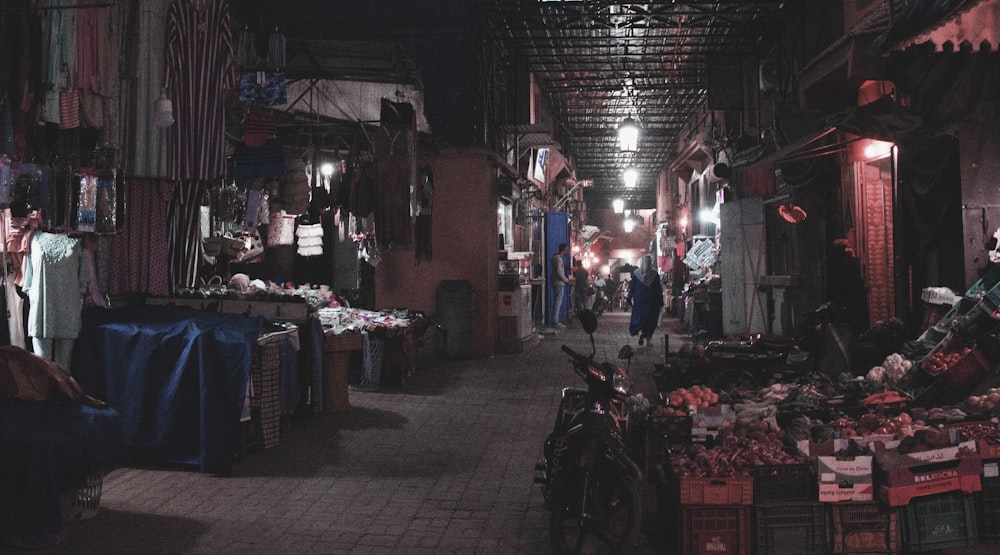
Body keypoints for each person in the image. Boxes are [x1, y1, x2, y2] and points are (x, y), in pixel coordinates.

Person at [627, 254, 664, 346]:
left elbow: (633, 288)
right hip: (652, 301)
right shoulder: (654, 274)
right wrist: (661, 301)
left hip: (639, 301)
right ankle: (648, 341)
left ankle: (641, 332)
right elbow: (658, 289)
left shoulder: (636, 273)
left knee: (640, 318)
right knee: (651, 320)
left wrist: (629, 298)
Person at [550, 243, 570, 327]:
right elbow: (559, 272)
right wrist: (566, 280)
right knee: (557, 302)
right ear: (564, 249)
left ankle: (555, 320)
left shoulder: (557, 258)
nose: (568, 251)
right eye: (567, 249)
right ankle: (555, 321)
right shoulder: (558, 259)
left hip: (557, 282)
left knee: (557, 302)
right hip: (558, 283)